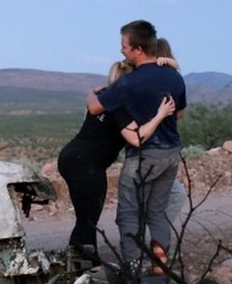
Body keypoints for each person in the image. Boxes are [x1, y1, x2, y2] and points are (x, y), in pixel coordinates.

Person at [57, 46, 180, 267]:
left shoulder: (102, 98)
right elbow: (136, 139)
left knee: (86, 217)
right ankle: (81, 268)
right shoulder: (120, 107)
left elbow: (91, 99)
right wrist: (161, 115)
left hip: (72, 157)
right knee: (88, 219)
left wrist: (168, 63)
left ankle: (82, 265)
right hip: (85, 164)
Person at [87, 20, 186, 275]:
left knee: (129, 214)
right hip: (171, 153)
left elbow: (95, 108)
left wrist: (99, 92)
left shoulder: (129, 82)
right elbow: (180, 113)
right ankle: (160, 268)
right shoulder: (174, 76)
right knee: (157, 211)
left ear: (138, 49)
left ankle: (132, 271)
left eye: (124, 46)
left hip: (143, 157)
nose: (122, 51)